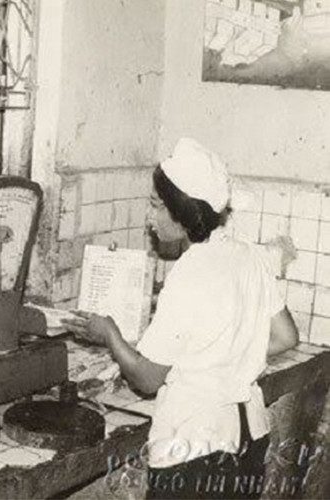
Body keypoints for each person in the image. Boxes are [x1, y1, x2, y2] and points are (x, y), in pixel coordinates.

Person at [62, 138, 299, 500]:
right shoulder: (249, 256)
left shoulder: (189, 272)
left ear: (183, 211)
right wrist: (227, 352)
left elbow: (146, 378)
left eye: (157, 205)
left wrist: (109, 333)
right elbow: (285, 337)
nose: (149, 216)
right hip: (248, 440)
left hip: (193, 450)